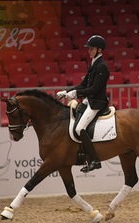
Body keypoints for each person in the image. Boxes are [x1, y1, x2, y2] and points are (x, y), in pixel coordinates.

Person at [57, 35, 109, 173]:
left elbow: (94, 89)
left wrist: (75, 94)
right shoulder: (93, 63)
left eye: (91, 48)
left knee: (80, 128)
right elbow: (83, 84)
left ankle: (95, 160)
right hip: (89, 100)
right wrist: (67, 91)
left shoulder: (102, 66)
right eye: (89, 48)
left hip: (97, 102)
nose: (89, 51)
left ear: (99, 49)